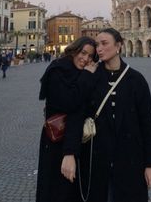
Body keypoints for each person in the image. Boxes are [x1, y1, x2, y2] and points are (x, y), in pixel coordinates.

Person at [80, 28, 151, 202]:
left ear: (118, 46)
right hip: (98, 162)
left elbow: (148, 124)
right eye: (97, 45)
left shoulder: (136, 80)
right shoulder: (91, 77)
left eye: (104, 43)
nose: (99, 49)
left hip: (130, 161)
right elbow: (77, 110)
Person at [36, 36, 97, 202]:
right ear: (74, 50)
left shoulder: (83, 73)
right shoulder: (58, 70)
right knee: (55, 191)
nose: (85, 59)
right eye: (83, 53)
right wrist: (86, 76)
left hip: (76, 141)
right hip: (56, 142)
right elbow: (70, 102)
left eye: (90, 56)